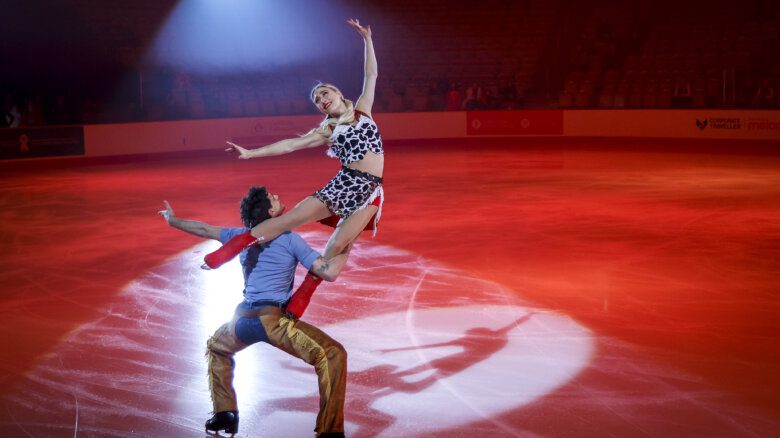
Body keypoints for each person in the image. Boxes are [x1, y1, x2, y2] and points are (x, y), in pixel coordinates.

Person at [160, 186, 350, 437]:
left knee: (217, 347)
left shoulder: (240, 235)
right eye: (273, 197)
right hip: (272, 322)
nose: (278, 196)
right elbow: (326, 271)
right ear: (270, 212)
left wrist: (173, 221)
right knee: (333, 354)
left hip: (241, 321)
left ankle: (224, 414)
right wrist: (347, 243)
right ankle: (330, 432)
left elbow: (204, 229)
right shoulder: (289, 239)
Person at [203, 18, 382, 277]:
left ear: (337, 92)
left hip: (372, 190)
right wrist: (252, 152)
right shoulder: (328, 130)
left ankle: (299, 300)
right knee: (289, 220)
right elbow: (290, 145)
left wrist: (367, 39)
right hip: (346, 184)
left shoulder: (363, 110)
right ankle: (223, 254)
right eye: (317, 100)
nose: (321, 99)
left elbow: (371, 75)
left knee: (336, 249)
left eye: (324, 93)